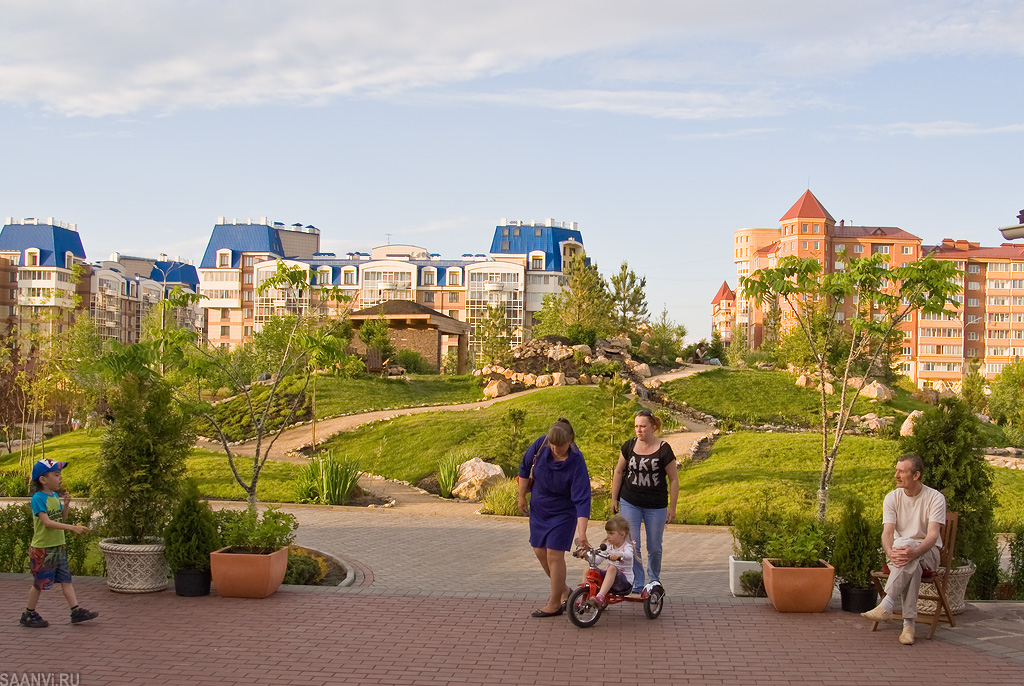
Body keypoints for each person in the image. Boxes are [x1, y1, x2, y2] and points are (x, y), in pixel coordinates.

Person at [861, 453, 946, 646]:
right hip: (900, 554)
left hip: (928, 552)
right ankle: (908, 626)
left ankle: (887, 603)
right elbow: (887, 533)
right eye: (896, 471)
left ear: (916, 475)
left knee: (908, 549)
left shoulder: (935, 498)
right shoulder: (892, 498)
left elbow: (932, 536)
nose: (896, 475)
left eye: (901, 472)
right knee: (908, 559)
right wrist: (890, 552)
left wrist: (913, 551)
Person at [517, 418, 591, 618]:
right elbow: (524, 468)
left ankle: (554, 603)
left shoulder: (576, 461)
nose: (556, 449)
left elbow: (582, 499)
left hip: (563, 513)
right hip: (540, 509)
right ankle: (564, 591)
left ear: (570, 441)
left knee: (554, 555)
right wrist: (521, 496)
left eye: (561, 445)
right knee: (540, 551)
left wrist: (582, 532)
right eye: (553, 445)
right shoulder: (541, 445)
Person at [21, 458, 99, 628]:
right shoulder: (38, 499)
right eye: (56, 475)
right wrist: (72, 528)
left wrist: (66, 506)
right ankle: (28, 613)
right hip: (43, 549)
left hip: (58, 547)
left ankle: (75, 610)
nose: (60, 478)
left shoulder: (55, 496)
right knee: (39, 584)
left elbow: (60, 519)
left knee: (66, 580)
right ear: (43, 479)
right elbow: (47, 523)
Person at [611, 408, 679, 593]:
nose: (638, 430)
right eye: (636, 426)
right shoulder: (629, 446)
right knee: (633, 545)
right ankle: (638, 581)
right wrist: (614, 498)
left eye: (642, 426)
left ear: (653, 427)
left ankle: (654, 580)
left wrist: (672, 508)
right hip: (630, 500)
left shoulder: (664, 449)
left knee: (654, 547)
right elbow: (619, 471)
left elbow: (673, 479)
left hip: (655, 505)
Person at [583, 515, 634, 609]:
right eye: (607, 533)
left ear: (622, 534)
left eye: (611, 533)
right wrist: (587, 556)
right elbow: (597, 561)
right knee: (588, 569)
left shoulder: (627, 547)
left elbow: (629, 555)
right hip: (609, 579)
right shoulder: (608, 546)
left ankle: (600, 597)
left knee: (612, 569)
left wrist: (620, 554)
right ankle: (584, 598)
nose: (608, 536)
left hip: (624, 583)